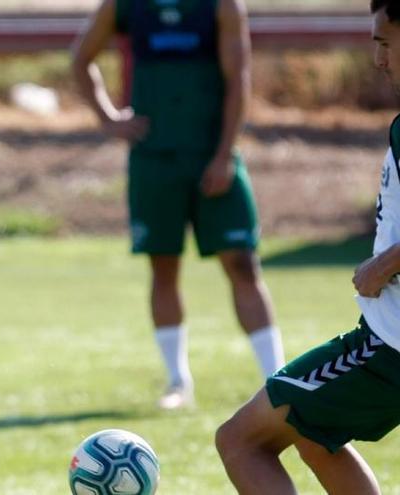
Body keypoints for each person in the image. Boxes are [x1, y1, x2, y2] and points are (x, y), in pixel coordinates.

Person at [215, 2, 400, 493]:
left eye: (385, 42)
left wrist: (384, 264)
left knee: (240, 441)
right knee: (315, 434)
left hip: (390, 350)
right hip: (385, 339)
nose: (378, 59)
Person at [71, 0, 284, 409]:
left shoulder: (222, 6)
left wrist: (224, 154)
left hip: (212, 156)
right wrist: (108, 118)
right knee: (164, 266)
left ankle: (277, 381)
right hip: (154, 161)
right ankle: (177, 383)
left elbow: (239, 78)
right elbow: (80, 59)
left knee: (242, 263)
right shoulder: (124, 5)